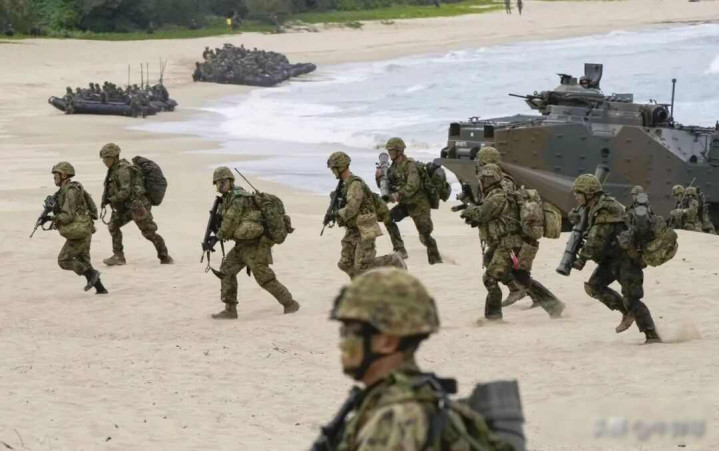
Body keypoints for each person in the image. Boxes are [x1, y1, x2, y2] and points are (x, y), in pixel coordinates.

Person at [323, 268, 512, 450]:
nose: (342, 343)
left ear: (388, 342)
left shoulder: (398, 419)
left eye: (350, 332)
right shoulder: (409, 397)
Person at [461, 164, 564, 320]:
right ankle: (554, 305)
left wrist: (468, 209)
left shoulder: (497, 197)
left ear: (486, 180)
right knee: (521, 278)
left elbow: (481, 214)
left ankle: (493, 317)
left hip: (508, 245)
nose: (480, 183)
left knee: (490, 278)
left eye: (481, 179)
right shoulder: (501, 194)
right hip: (513, 243)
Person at [569, 174, 661, 343]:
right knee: (594, 286)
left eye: (578, 193)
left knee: (632, 299)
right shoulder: (593, 206)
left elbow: (596, 240)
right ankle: (626, 313)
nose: (576, 196)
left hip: (626, 259)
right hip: (611, 259)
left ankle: (652, 335)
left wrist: (581, 259)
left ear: (589, 193)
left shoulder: (605, 209)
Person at [209, 167, 300, 319]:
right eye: (218, 183)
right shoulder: (227, 199)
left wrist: (216, 238)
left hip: (255, 245)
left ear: (230, 181)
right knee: (226, 270)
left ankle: (289, 303)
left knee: (264, 277)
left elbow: (230, 221)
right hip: (242, 244)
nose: (220, 185)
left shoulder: (238, 198)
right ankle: (230, 310)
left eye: (223, 181)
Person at [326, 152, 406, 279]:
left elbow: (352, 209)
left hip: (365, 227)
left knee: (363, 266)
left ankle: (393, 260)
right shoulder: (344, 184)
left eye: (333, 168)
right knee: (345, 263)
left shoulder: (355, 185)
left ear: (340, 167)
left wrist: (335, 214)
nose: (332, 171)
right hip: (354, 228)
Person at [99, 143, 173, 266]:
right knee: (113, 226)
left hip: (138, 206)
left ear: (114, 157)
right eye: (103, 158)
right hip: (126, 207)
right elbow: (110, 187)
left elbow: (125, 192)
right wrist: (105, 200)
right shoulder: (113, 170)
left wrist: (112, 199)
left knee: (149, 233)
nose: (104, 161)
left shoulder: (123, 170)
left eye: (106, 158)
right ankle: (118, 256)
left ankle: (164, 256)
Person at [49, 162, 108, 294]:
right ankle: (100, 289)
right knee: (83, 260)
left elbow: (68, 215)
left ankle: (92, 274)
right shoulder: (65, 190)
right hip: (84, 228)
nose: (54, 178)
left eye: (56, 175)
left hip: (79, 231)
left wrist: (52, 218)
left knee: (63, 260)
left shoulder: (71, 191)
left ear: (64, 175)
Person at [382, 137, 442, 264]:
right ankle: (400, 249)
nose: (390, 153)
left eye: (392, 150)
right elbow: (387, 187)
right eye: (389, 150)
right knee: (388, 218)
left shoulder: (410, 165)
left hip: (418, 204)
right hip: (405, 204)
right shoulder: (392, 168)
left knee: (425, 235)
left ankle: (436, 260)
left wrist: (398, 194)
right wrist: (380, 178)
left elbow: (413, 185)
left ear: (399, 151)